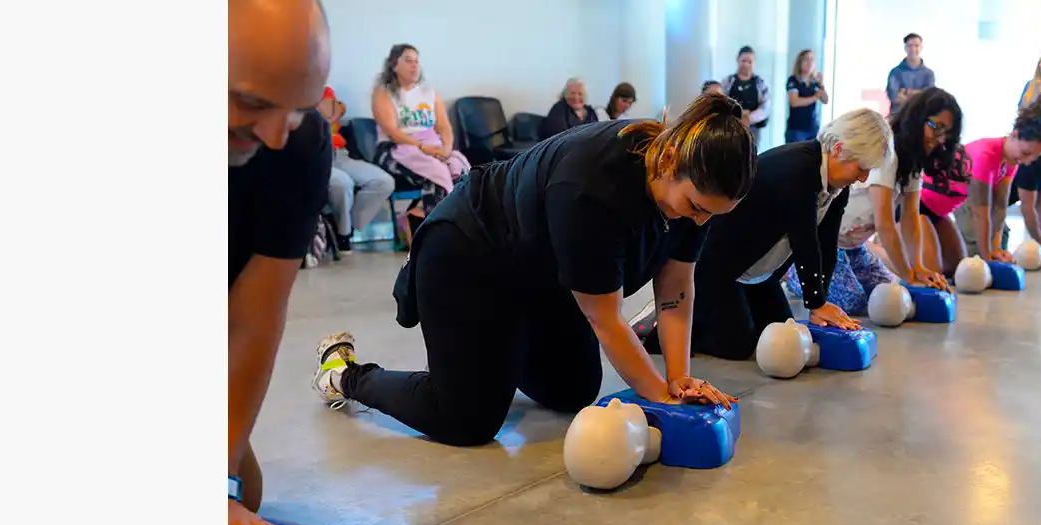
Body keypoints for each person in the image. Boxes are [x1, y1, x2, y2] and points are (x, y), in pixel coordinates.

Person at [310, 94, 753, 447]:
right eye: (696, 208)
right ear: (671, 156)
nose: (700, 223)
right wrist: (659, 396)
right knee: (467, 421)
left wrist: (678, 381)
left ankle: (494, 353)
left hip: (539, 274)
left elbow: (675, 290)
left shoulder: (697, 198)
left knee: (573, 390)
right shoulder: (593, 188)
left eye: (713, 215)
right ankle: (345, 374)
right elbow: (606, 319)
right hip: (470, 253)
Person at [642, 108, 890, 361]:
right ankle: (664, 325)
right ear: (838, 150)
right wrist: (815, 303)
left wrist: (820, 303)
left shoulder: (838, 187)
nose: (863, 178)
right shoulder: (799, 169)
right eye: (861, 168)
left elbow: (826, 245)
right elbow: (804, 240)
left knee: (785, 332)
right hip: (717, 266)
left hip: (757, 274)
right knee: (737, 346)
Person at [228, 0, 329, 525]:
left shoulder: (298, 145)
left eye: (297, 108)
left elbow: (254, 322)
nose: (273, 136)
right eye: (249, 102)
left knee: (247, 492)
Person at [780, 88, 969, 315]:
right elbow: (885, 225)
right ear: (918, 118)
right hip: (828, 242)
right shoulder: (888, 152)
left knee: (888, 294)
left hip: (854, 246)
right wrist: (909, 277)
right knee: (854, 303)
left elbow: (911, 218)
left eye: (946, 132)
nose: (940, 138)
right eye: (936, 127)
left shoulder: (914, 162)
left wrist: (917, 267)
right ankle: (792, 273)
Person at [942, 97, 1041, 270]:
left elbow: (1000, 206)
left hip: (973, 197)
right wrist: (987, 257)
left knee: (1002, 236)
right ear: (1014, 135)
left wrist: (996, 247)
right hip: (954, 194)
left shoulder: (1012, 160)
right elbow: (980, 213)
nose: (1026, 162)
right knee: (976, 252)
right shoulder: (985, 155)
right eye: (1026, 153)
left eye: (1033, 157)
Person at [372, 43, 468, 227]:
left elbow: (444, 126)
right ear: (393, 65)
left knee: (458, 167)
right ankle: (439, 232)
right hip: (395, 149)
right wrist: (423, 148)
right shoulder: (383, 93)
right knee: (437, 174)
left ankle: (427, 221)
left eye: (416, 61)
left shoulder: (428, 93)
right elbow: (392, 131)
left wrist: (446, 148)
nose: (414, 65)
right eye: (408, 61)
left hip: (431, 146)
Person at [318, 86, 394, 253]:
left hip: (339, 154)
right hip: (313, 156)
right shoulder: (286, 95)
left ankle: (347, 227)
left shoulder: (324, 90)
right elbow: (322, 118)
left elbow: (327, 116)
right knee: (342, 183)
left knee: (383, 182)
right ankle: (343, 234)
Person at [721, 46, 772, 145]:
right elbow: (721, 102)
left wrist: (749, 118)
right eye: (743, 61)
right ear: (737, 59)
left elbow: (766, 107)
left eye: (750, 62)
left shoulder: (761, 83)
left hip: (752, 130)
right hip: (731, 129)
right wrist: (739, 115)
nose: (746, 64)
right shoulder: (727, 82)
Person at [885, 33, 935, 118]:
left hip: (921, 119)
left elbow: (929, 97)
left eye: (916, 45)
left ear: (921, 47)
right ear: (905, 48)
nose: (913, 49)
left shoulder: (929, 74)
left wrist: (905, 92)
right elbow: (893, 97)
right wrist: (919, 96)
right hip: (898, 119)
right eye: (910, 46)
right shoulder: (895, 72)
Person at [785, 49, 829, 143]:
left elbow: (825, 100)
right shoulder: (793, 80)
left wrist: (821, 84)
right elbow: (794, 102)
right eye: (806, 60)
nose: (809, 63)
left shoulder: (815, 81)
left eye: (812, 60)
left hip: (813, 128)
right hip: (797, 129)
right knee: (796, 156)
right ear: (800, 62)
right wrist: (814, 97)